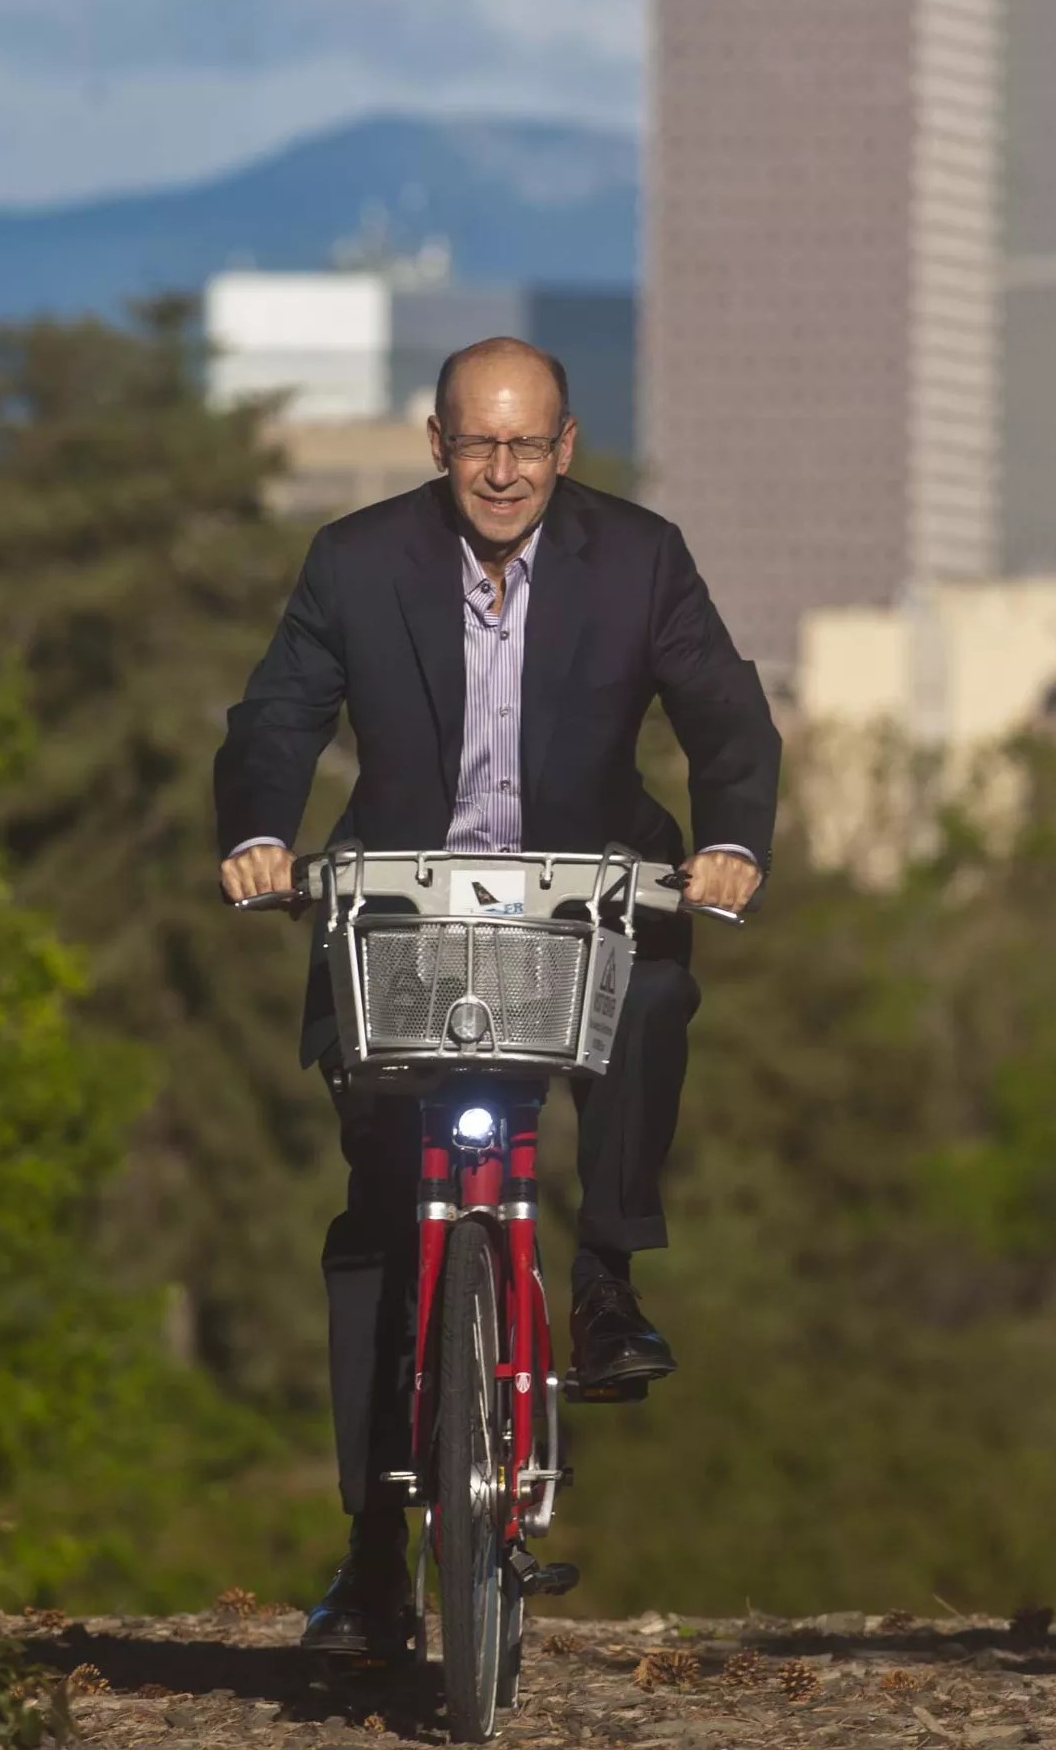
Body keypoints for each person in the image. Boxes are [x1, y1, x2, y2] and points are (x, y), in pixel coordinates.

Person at [213, 336, 778, 1654]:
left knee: (651, 1006)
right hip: (407, 906)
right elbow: (278, 716)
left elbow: (727, 717)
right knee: (374, 1223)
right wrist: (258, 830)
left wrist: (733, 838)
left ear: (566, 448)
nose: (504, 470)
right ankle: (369, 1566)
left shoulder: (639, 559)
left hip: (585, 898)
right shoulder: (357, 563)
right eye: (480, 444)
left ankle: (606, 1280)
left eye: (529, 445)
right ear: (438, 444)